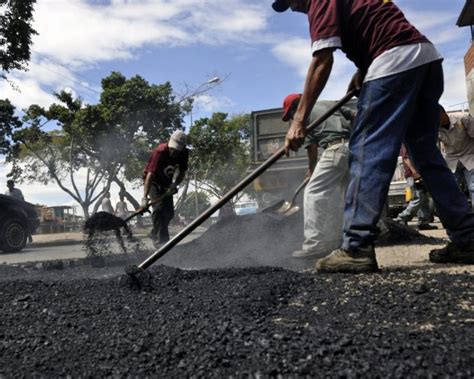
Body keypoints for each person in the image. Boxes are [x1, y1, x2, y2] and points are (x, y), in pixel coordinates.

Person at [272, 0, 474, 272]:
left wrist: (298, 120)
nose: (294, 8)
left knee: (366, 149)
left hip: (393, 61)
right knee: (425, 155)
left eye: (290, 2)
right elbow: (379, 27)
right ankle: (467, 238)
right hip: (425, 59)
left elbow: (322, 59)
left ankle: (356, 246)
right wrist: (363, 70)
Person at [281, 94, 355, 258]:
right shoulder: (328, 102)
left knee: (313, 193)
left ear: (295, 108)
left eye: (290, 114)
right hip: (353, 148)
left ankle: (315, 244)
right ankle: (378, 230)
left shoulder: (302, 115)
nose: (292, 118)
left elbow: (312, 148)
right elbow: (355, 116)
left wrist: (311, 169)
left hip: (334, 149)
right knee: (350, 194)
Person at [142, 130, 189, 248]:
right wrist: (144, 198)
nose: (174, 152)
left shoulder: (184, 154)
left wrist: (175, 184)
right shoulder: (160, 152)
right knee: (159, 209)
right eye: (172, 149)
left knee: (169, 213)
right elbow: (150, 175)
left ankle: (155, 232)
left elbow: (182, 172)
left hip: (167, 184)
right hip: (153, 182)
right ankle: (161, 243)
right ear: (169, 141)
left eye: (177, 150)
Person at [439, 106, 474, 209]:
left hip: (470, 155)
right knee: (452, 188)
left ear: (442, 114)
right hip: (452, 159)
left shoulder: (463, 118)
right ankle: (458, 216)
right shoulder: (433, 127)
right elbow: (433, 148)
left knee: (473, 187)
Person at [394, 145, 437, 230]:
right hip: (413, 174)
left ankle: (423, 222)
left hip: (421, 172)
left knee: (424, 198)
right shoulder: (407, 141)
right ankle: (402, 217)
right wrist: (415, 172)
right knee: (418, 197)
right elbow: (406, 158)